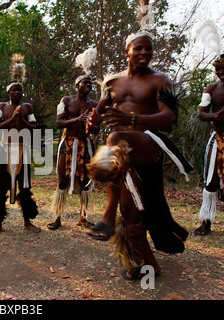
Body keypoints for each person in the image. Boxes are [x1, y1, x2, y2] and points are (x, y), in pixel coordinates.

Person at [85, 30, 191, 280]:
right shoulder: (112, 83)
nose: (145, 53)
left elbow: (169, 119)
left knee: (115, 139)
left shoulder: (159, 80)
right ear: (127, 51)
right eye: (139, 48)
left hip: (148, 144)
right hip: (122, 158)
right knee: (130, 212)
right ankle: (149, 264)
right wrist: (93, 122)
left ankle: (107, 217)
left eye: (149, 49)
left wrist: (134, 119)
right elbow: (100, 115)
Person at [0, 54, 40, 235]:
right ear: (9, 93)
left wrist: (22, 120)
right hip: (5, 150)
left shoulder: (28, 108)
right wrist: (12, 119)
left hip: (23, 151)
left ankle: (27, 222)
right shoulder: (2, 107)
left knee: (25, 186)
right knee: (1, 187)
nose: (18, 93)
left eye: (20, 90)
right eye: (15, 90)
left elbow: (34, 128)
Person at [48, 74, 99, 230]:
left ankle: (83, 218)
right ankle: (57, 218)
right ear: (77, 85)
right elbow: (59, 123)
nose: (89, 85)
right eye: (85, 82)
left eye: (90, 83)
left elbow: (97, 129)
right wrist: (78, 119)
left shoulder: (94, 105)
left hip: (85, 145)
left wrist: (90, 124)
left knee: (85, 182)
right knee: (62, 180)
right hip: (67, 143)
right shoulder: (66, 101)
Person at [195, 53, 224, 236]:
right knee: (211, 181)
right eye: (217, 69)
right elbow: (201, 113)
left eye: (223, 68)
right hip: (218, 139)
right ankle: (206, 222)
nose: (220, 72)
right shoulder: (211, 88)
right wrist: (215, 116)